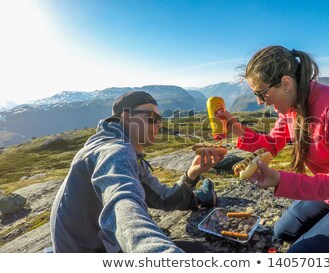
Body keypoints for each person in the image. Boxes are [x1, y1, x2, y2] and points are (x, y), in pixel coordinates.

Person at [217, 46, 329, 252]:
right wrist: (235, 128)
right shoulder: (291, 108)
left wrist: (280, 180)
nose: (259, 102)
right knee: (282, 232)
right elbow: (272, 144)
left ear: (286, 83)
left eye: (261, 93)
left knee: (298, 255)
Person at [50, 91, 224, 253]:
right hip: (91, 252)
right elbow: (121, 204)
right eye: (151, 117)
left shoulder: (129, 153)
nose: (158, 124)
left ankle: (199, 198)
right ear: (126, 117)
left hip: (92, 246)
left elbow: (163, 199)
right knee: (197, 251)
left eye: (159, 118)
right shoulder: (115, 151)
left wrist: (192, 174)